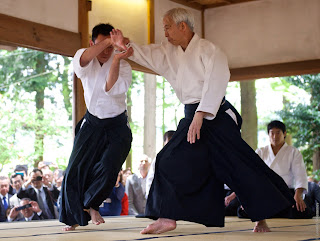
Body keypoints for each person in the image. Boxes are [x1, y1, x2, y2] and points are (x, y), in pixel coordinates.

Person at [111, 7, 295, 234]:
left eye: (168, 27)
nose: (165, 33)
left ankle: (261, 218)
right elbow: (147, 54)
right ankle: (167, 216)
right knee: (167, 159)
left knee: (239, 168)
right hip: (192, 116)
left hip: (215, 115)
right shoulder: (170, 51)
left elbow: (217, 81)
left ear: (183, 26)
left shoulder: (210, 50)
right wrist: (125, 46)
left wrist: (201, 114)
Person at [59, 23, 133, 231]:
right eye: (101, 45)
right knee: (75, 170)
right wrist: (110, 41)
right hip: (92, 122)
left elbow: (109, 88)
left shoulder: (123, 65)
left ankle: (91, 205)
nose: (106, 51)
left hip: (116, 124)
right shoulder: (85, 59)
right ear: (92, 43)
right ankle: (73, 217)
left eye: (110, 47)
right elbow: (82, 59)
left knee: (109, 167)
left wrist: (117, 57)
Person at [254, 120, 309, 218]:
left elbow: (300, 175)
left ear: (284, 134)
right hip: (266, 191)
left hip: (286, 192)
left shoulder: (294, 152)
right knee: (243, 211)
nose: (275, 137)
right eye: (272, 133)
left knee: (300, 211)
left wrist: (298, 195)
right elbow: (253, 175)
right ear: (268, 134)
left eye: (278, 133)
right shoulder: (261, 152)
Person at [145, 130, 175, 199]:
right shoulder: (158, 159)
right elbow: (150, 179)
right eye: (169, 142)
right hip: (160, 199)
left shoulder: (182, 159)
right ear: (164, 143)